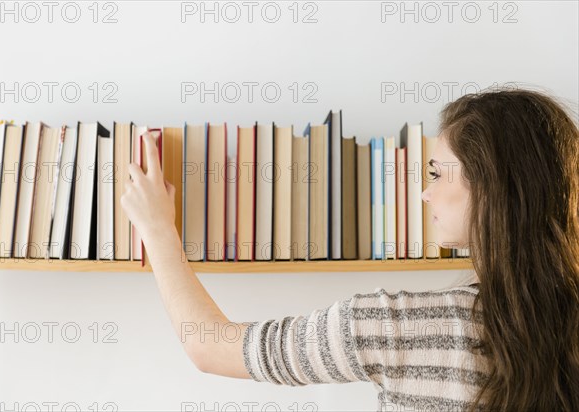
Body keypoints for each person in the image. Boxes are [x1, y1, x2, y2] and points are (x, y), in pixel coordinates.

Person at [120, 87, 579, 411]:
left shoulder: (396, 325)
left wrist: (159, 230)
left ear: (492, 188)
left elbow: (210, 347)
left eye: (438, 174)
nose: (424, 193)